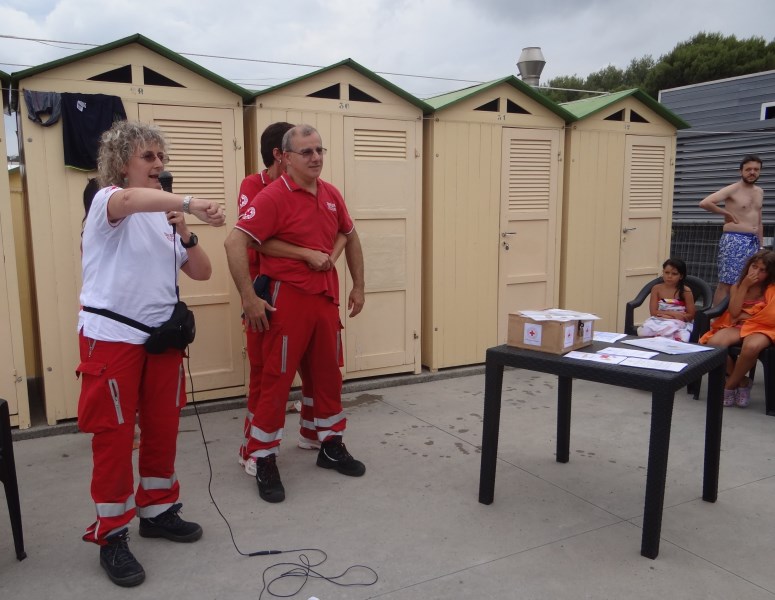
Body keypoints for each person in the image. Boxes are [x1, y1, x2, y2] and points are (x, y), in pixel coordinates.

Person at [76, 120, 225, 587]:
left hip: (160, 339)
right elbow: (130, 201)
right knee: (115, 438)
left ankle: (158, 510)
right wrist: (189, 202)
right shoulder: (108, 201)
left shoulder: (165, 217)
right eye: (148, 156)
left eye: (162, 157)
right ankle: (111, 535)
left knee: (162, 426)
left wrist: (186, 230)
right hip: (112, 338)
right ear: (123, 164)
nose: (159, 164)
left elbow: (202, 272)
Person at [225, 124, 365, 504]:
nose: (316, 157)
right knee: (276, 380)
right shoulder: (272, 196)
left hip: (324, 302)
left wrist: (359, 286)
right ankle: (263, 457)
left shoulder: (331, 193)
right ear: (285, 157)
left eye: (319, 150)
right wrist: (248, 298)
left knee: (327, 377)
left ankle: (329, 443)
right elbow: (235, 241)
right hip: (287, 302)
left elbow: (350, 235)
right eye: (306, 152)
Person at [700, 250, 775, 408]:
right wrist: (745, 286)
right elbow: (734, 313)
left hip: (763, 327)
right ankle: (743, 381)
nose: (756, 272)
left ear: (769, 273)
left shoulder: (771, 288)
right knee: (714, 344)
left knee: (751, 347)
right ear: (748, 266)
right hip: (738, 325)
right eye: (754, 267)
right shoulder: (738, 286)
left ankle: (729, 387)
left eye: (762, 270)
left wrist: (746, 316)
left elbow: (770, 316)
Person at [699, 154, 764, 306]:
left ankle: (739, 314)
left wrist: (761, 246)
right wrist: (725, 213)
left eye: (756, 169)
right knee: (727, 282)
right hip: (735, 240)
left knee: (750, 281)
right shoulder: (733, 189)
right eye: (748, 169)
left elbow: (759, 221)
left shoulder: (759, 191)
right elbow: (705, 203)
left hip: (753, 241)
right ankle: (716, 317)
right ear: (741, 171)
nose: (752, 172)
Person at [637, 258, 696, 342]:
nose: (669, 276)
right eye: (667, 272)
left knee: (672, 330)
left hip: (678, 321)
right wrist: (672, 314)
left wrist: (675, 317)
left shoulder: (686, 291)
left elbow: (691, 315)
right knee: (644, 330)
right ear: (663, 272)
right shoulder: (656, 289)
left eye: (674, 274)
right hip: (659, 319)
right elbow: (653, 312)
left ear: (681, 276)